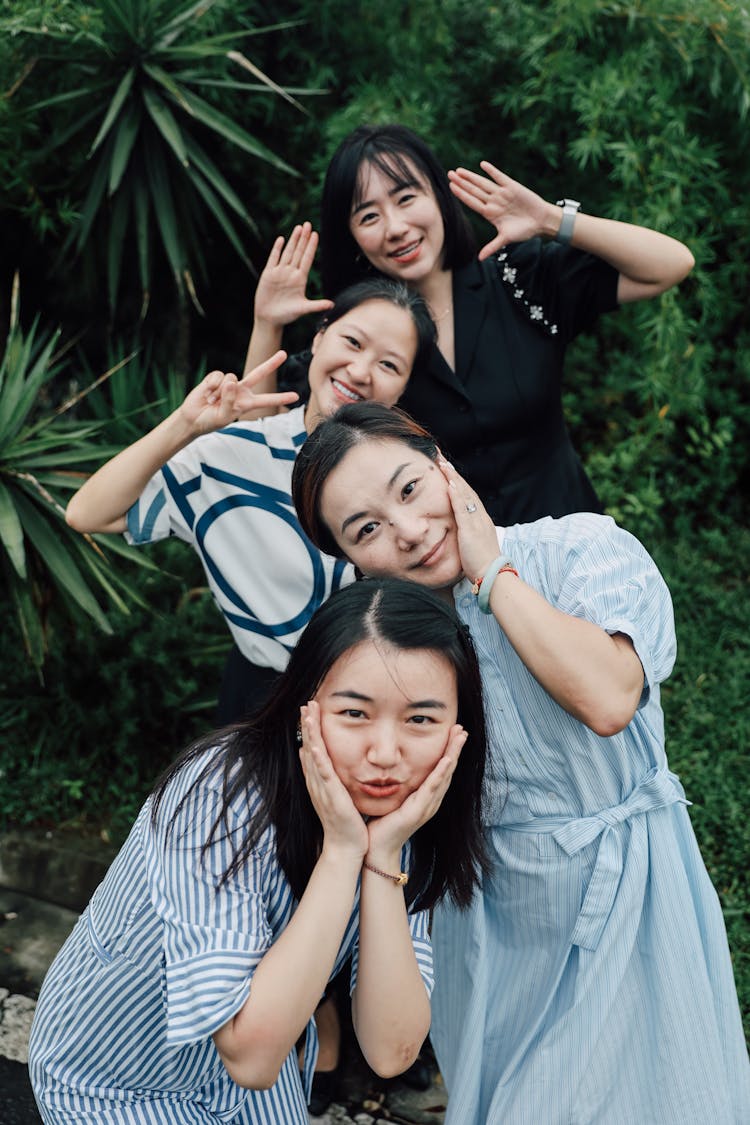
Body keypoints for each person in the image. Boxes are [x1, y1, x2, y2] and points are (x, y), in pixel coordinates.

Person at [290, 401, 750, 1125]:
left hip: (633, 891)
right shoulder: (389, 648)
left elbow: (607, 696)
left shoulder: (579, 549)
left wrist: (491, 573)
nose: (408, 531)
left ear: (442, 461)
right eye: (367, 529)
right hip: (493, 922)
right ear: (352, 560)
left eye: (410, 488)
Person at [28, 578, 491, 1124]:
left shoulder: (409, 817)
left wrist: (381, 856)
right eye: (355, 714)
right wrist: (343, 851)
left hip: (249, 1075)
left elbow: (391, 1051)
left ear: (458, 730)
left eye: (420, 720)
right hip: (115, 1081)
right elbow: (250, 1056)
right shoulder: (220, 792)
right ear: (306, 708)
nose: (386, 754)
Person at [65, 246, 436, 723]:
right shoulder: (235, 455)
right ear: (320, 337)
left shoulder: (416, 473)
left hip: (386, 700)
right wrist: (185, 424)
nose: (362, 372)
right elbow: (86, 514)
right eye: (353, 342)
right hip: (260, 699)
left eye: (390, 365)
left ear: (404, 387)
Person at [313, 123, 695, 524]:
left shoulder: (519, 281)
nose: (395, 227)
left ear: (439, 197)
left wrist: (551, 219)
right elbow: (288, 432)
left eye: (406, 197)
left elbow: (670, 265)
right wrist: (267, 323)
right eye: (369, 216)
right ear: (352, 236)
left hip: (577, 556)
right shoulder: (355, 339)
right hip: (455, 576)